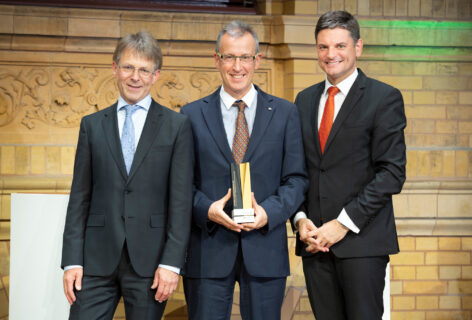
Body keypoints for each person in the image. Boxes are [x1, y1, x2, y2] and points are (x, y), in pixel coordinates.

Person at [61, 31, 194, 320]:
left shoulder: (177, 126)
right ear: (115, 68)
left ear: (156, 75)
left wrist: (171, 264)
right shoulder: (92, 126)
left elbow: (181, 202)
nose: (136, 77)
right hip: (95, 260)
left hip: (150, 262)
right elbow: (79, 198)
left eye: (144, 70)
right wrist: (71, 260)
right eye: (128, 67)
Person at [181, 20, 308, 320]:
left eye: (245, 57)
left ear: (257, 60)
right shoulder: (190, 115)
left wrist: (269, 213)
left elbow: (296, 179)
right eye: (229, 57)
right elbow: (181, 184)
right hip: (208, 250)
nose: (237, 66)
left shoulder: (285, 113)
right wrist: (207, 209)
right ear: (217, 60)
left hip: (264, 249)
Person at [293, 10, 407, 320]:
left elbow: (392, 173)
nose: (331, 55)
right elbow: (299, 169)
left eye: (340, 46)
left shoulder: (383, 98)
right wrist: (300, 219)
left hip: (362, 243)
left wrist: (342, 224)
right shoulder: (304, 100)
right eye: (323, 47)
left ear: (358, 47)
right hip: (315, 244)